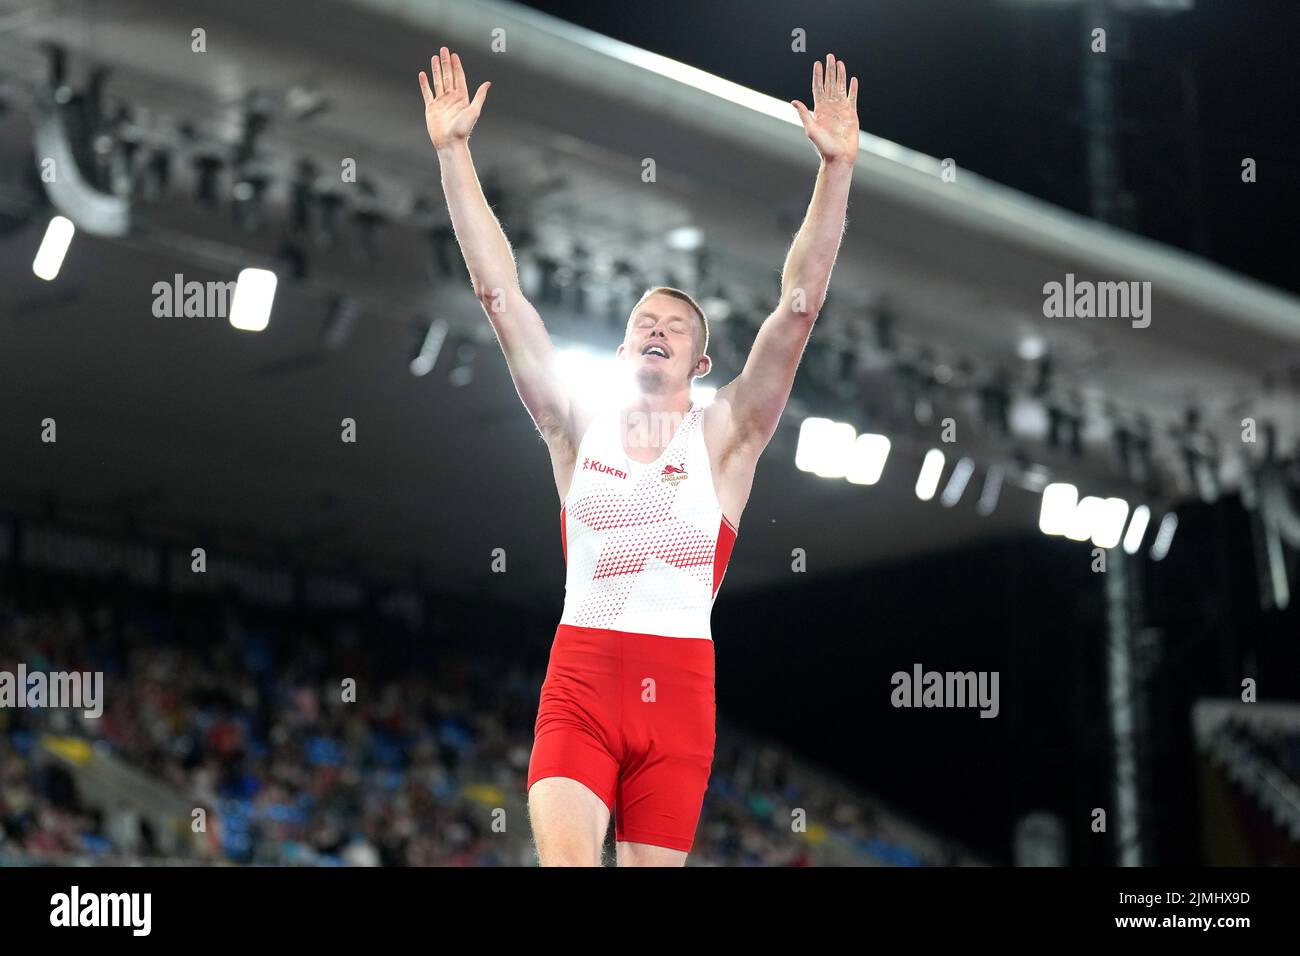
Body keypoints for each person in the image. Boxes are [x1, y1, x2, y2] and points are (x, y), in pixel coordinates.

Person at [419, 46, 857, 866]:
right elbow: (500, 294)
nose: (657, 326)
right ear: (622, 350)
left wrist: (835, 172)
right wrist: (454, 155)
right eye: (644, 320)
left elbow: (797, 312)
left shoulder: (728, 434)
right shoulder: (573, 424)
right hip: (581, 682)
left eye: (677, 324)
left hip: (680, 700)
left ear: (701, 364)